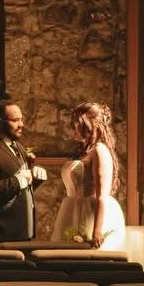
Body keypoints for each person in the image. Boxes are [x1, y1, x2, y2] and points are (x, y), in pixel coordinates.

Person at [52, 101, 126, 250]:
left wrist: (97, 230)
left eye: (76, 124)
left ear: (88, 124)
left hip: (89, 213)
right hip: (74, 209)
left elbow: (101, 195)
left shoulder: (100, 151)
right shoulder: (87, 150)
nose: (73, 128)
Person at [0, 98, 47, 243]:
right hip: (2, 233)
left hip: (23, 231)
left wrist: (34, 177)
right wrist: (20, 180)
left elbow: (18, 188)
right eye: (15, 120)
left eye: (21, 119)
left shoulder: (17, 146)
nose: (21, 125)